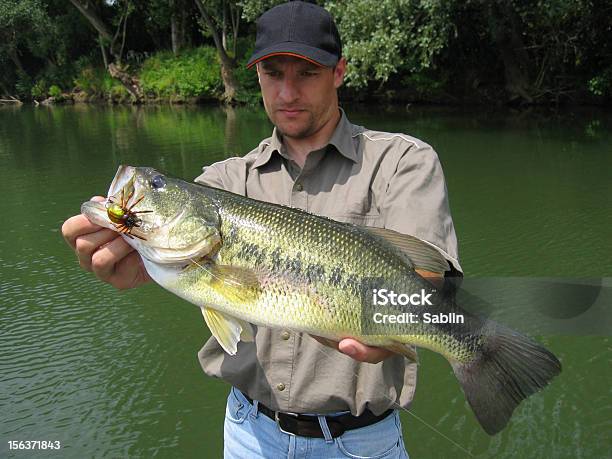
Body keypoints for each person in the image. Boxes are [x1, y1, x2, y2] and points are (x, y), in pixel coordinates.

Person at [62, 2, 461, 457]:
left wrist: (394, 330)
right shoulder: (222, 182)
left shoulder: (402, 162)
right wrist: (136, 265)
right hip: (249, 434)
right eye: (273, 73)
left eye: (307, 73)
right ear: (256, 77)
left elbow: (432, 285)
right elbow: (191, 263)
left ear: (339, 72)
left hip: (362, 442)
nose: (288, 92)